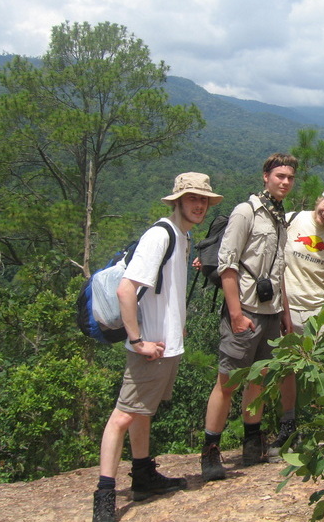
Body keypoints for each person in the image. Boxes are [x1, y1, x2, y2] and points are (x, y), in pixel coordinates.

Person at [93, 172, 223, 522]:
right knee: (122, 415)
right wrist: (138, 341)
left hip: (165, 345)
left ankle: (143, 474)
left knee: (142, 412)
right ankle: (104, 494)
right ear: (177, 201)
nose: (199, 205)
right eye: (192, 198)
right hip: (149, 346)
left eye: (204, 200)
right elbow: (125, 289)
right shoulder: (160, 235)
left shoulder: (182, 237)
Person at [200, 153, 296, 481]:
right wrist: (236, 314)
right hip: (245, 311)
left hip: (271, 312)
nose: (285, 182)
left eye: (289, 177)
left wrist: (283, 312)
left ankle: (251, 441)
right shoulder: (246, 212)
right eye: (279, 175)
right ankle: (211, 451)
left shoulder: (279, 216)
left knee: (259, 378)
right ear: (265, 176)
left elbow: (278, 266)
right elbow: (228, 263)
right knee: (227, 382)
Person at [273, 185, 324, 457]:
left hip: (322, 310)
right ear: (320, 199)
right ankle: (288, 425)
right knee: (286, 369)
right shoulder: (294, 219)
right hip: (287, 306)